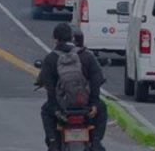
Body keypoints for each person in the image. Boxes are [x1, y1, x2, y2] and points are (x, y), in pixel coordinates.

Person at [38, 23, 107, 151]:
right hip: (85, 106)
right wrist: (94, 103)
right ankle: (96, 141)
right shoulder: (86, 55)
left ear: (55, 39)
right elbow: (97, 79)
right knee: (102, 108)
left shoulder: (51, 59)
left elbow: (48, 85)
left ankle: (53, 141)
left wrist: (55, 108)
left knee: (45, 111)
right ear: (72, 37)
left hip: (62, 109)